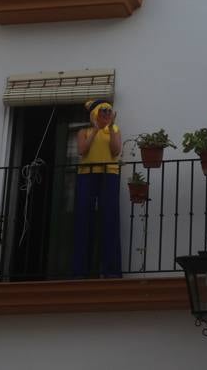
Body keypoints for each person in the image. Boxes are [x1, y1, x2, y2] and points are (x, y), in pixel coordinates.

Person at [72, 98, 121, 278]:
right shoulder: (83, 132)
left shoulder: (114, 130)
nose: (106, 114)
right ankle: (80, 271)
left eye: (109, 111)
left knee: (110, 220)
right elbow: (82, 151)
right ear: (94, 113)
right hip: (87, 175)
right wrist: (95, 130)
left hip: (109, 175)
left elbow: (116, 151)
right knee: (83, 219)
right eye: (103, 111)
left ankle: (111, 271)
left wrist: (112, 128)